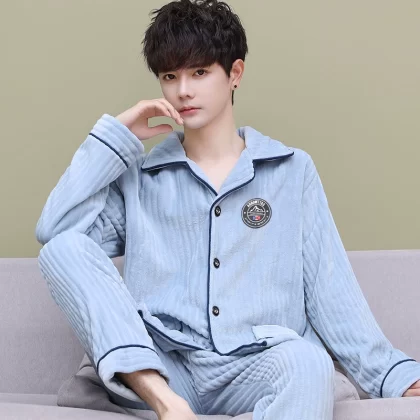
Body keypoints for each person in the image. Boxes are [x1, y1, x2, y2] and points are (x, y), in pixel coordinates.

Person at [35, 0, 420, 419]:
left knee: (309, 363)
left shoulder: (291, 171)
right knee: (63, 247)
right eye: (170, 76)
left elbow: (331, 290)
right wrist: (116, 136)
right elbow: (57, 232)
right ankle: (166, 404)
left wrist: (393, 374)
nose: (183, 91)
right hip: (166, 369)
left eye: (199, 72)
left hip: (252, 366)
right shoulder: (139, 179)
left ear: (234, 73)